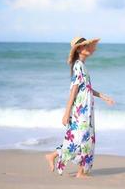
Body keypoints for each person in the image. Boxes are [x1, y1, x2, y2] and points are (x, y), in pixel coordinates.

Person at [45, 36, 115, 178]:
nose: (87, 48)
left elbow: (87, 89)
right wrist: (66, 113)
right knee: (83, 139)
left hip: (86, 111)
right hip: (80, 111)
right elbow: (74, 91)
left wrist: (103, 96)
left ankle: (56, 156)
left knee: (82, 139)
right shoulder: (78, 66)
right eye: (84, 46)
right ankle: (78, 171)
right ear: (78, 50)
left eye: (87, 46)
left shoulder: (82, 66)